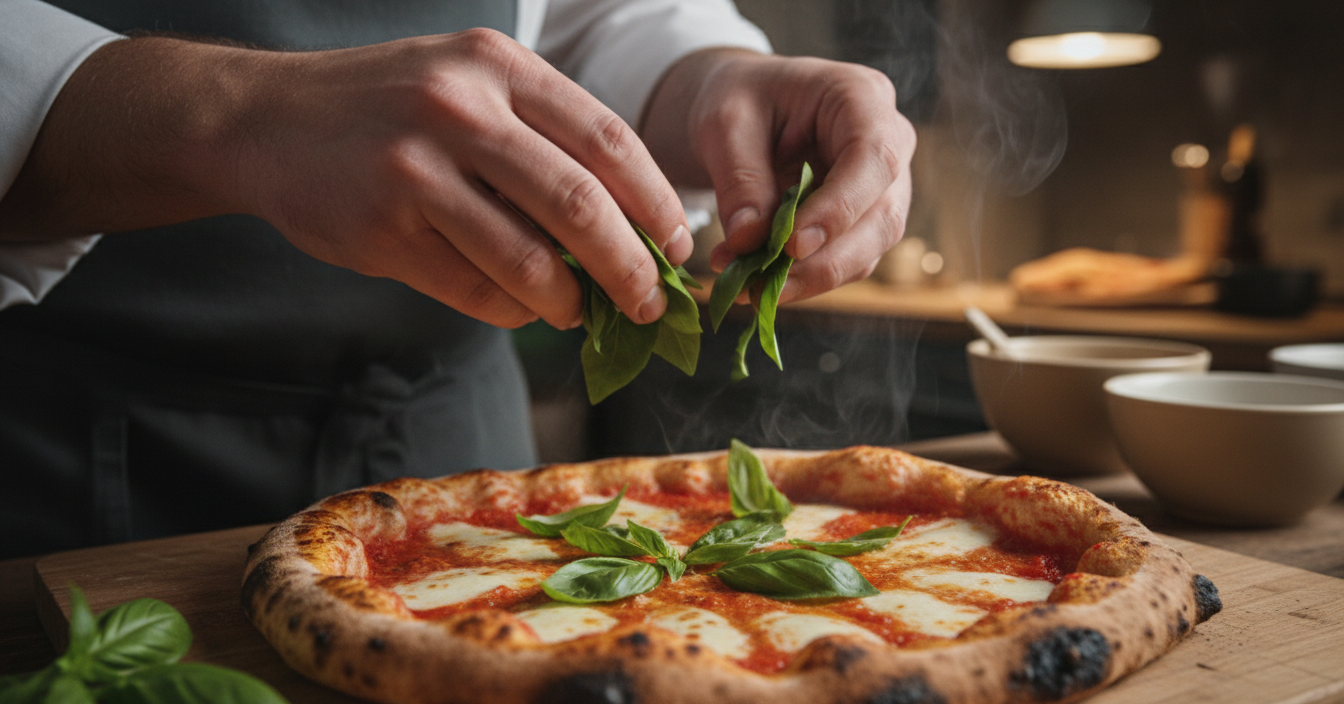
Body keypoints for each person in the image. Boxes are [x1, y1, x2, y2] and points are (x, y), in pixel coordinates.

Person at [0, 0, 915, 558]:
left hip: (462, 448)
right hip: (62, 468)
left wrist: (713, 79)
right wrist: (235, 112)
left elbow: (586, 15)